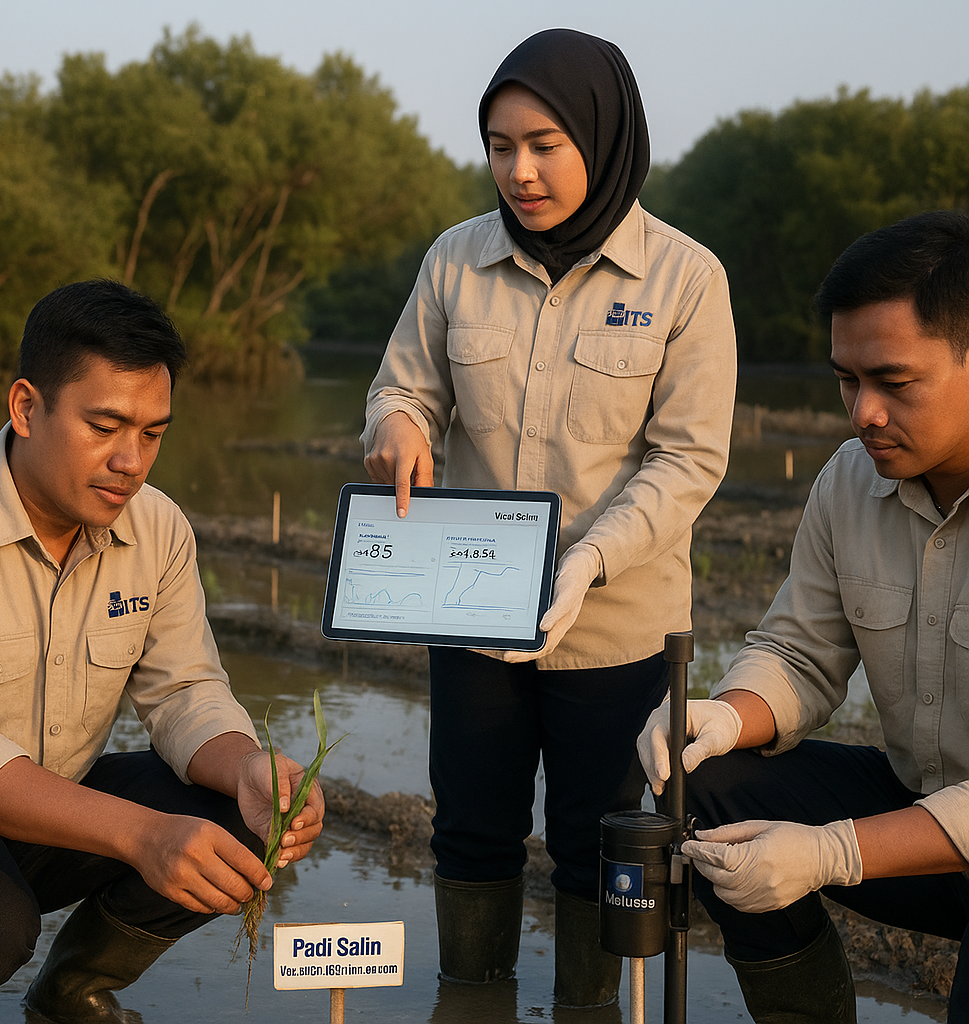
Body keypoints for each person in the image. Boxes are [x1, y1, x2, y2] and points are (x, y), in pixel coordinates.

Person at [362, 28, 736, 1007]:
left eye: (543, 144)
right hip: (475, 613)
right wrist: (399, 427)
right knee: (470, 827)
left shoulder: (686, 279)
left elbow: (686, 458)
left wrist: (589, 560)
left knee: (595, 838)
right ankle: (470, 996)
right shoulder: (455, 261)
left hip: (616, 626)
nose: (518, 172)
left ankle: (586, 1003)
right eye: (498, 146)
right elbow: (404, 387)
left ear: (603, 137)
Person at [0, 279, 325, 1022]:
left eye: (152, 433)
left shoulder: (156, 528)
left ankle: (72, 992)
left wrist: (248, 766)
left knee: (234, 820)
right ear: (26, 408)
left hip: (50, 811)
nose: (131, 460)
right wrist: (143, 835)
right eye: (105, 425)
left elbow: (185, 693)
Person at [638, 210, 969, 1023]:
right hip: (918, 810)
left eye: (895, 382)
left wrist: (835, 851)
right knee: (709, 782)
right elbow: (799, 650)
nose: (862, 413)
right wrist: (721, 715)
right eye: (847, 381)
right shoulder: (851, 482)